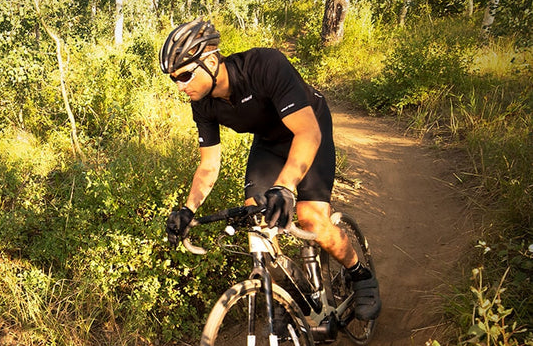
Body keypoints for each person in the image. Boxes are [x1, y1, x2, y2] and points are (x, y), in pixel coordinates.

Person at [160, 17, 381, 321]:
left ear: (211, 60)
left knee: (311, 219)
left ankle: (360, 272)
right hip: (270, 142)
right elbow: (209, 164)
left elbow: (308, 134)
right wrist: (187, 209)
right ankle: (293, 297)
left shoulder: (264, 65)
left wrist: (286, 186)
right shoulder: (203, 104)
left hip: (308, 127)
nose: (180, 86)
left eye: (184, 75)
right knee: (257, 220)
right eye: (173, 79)